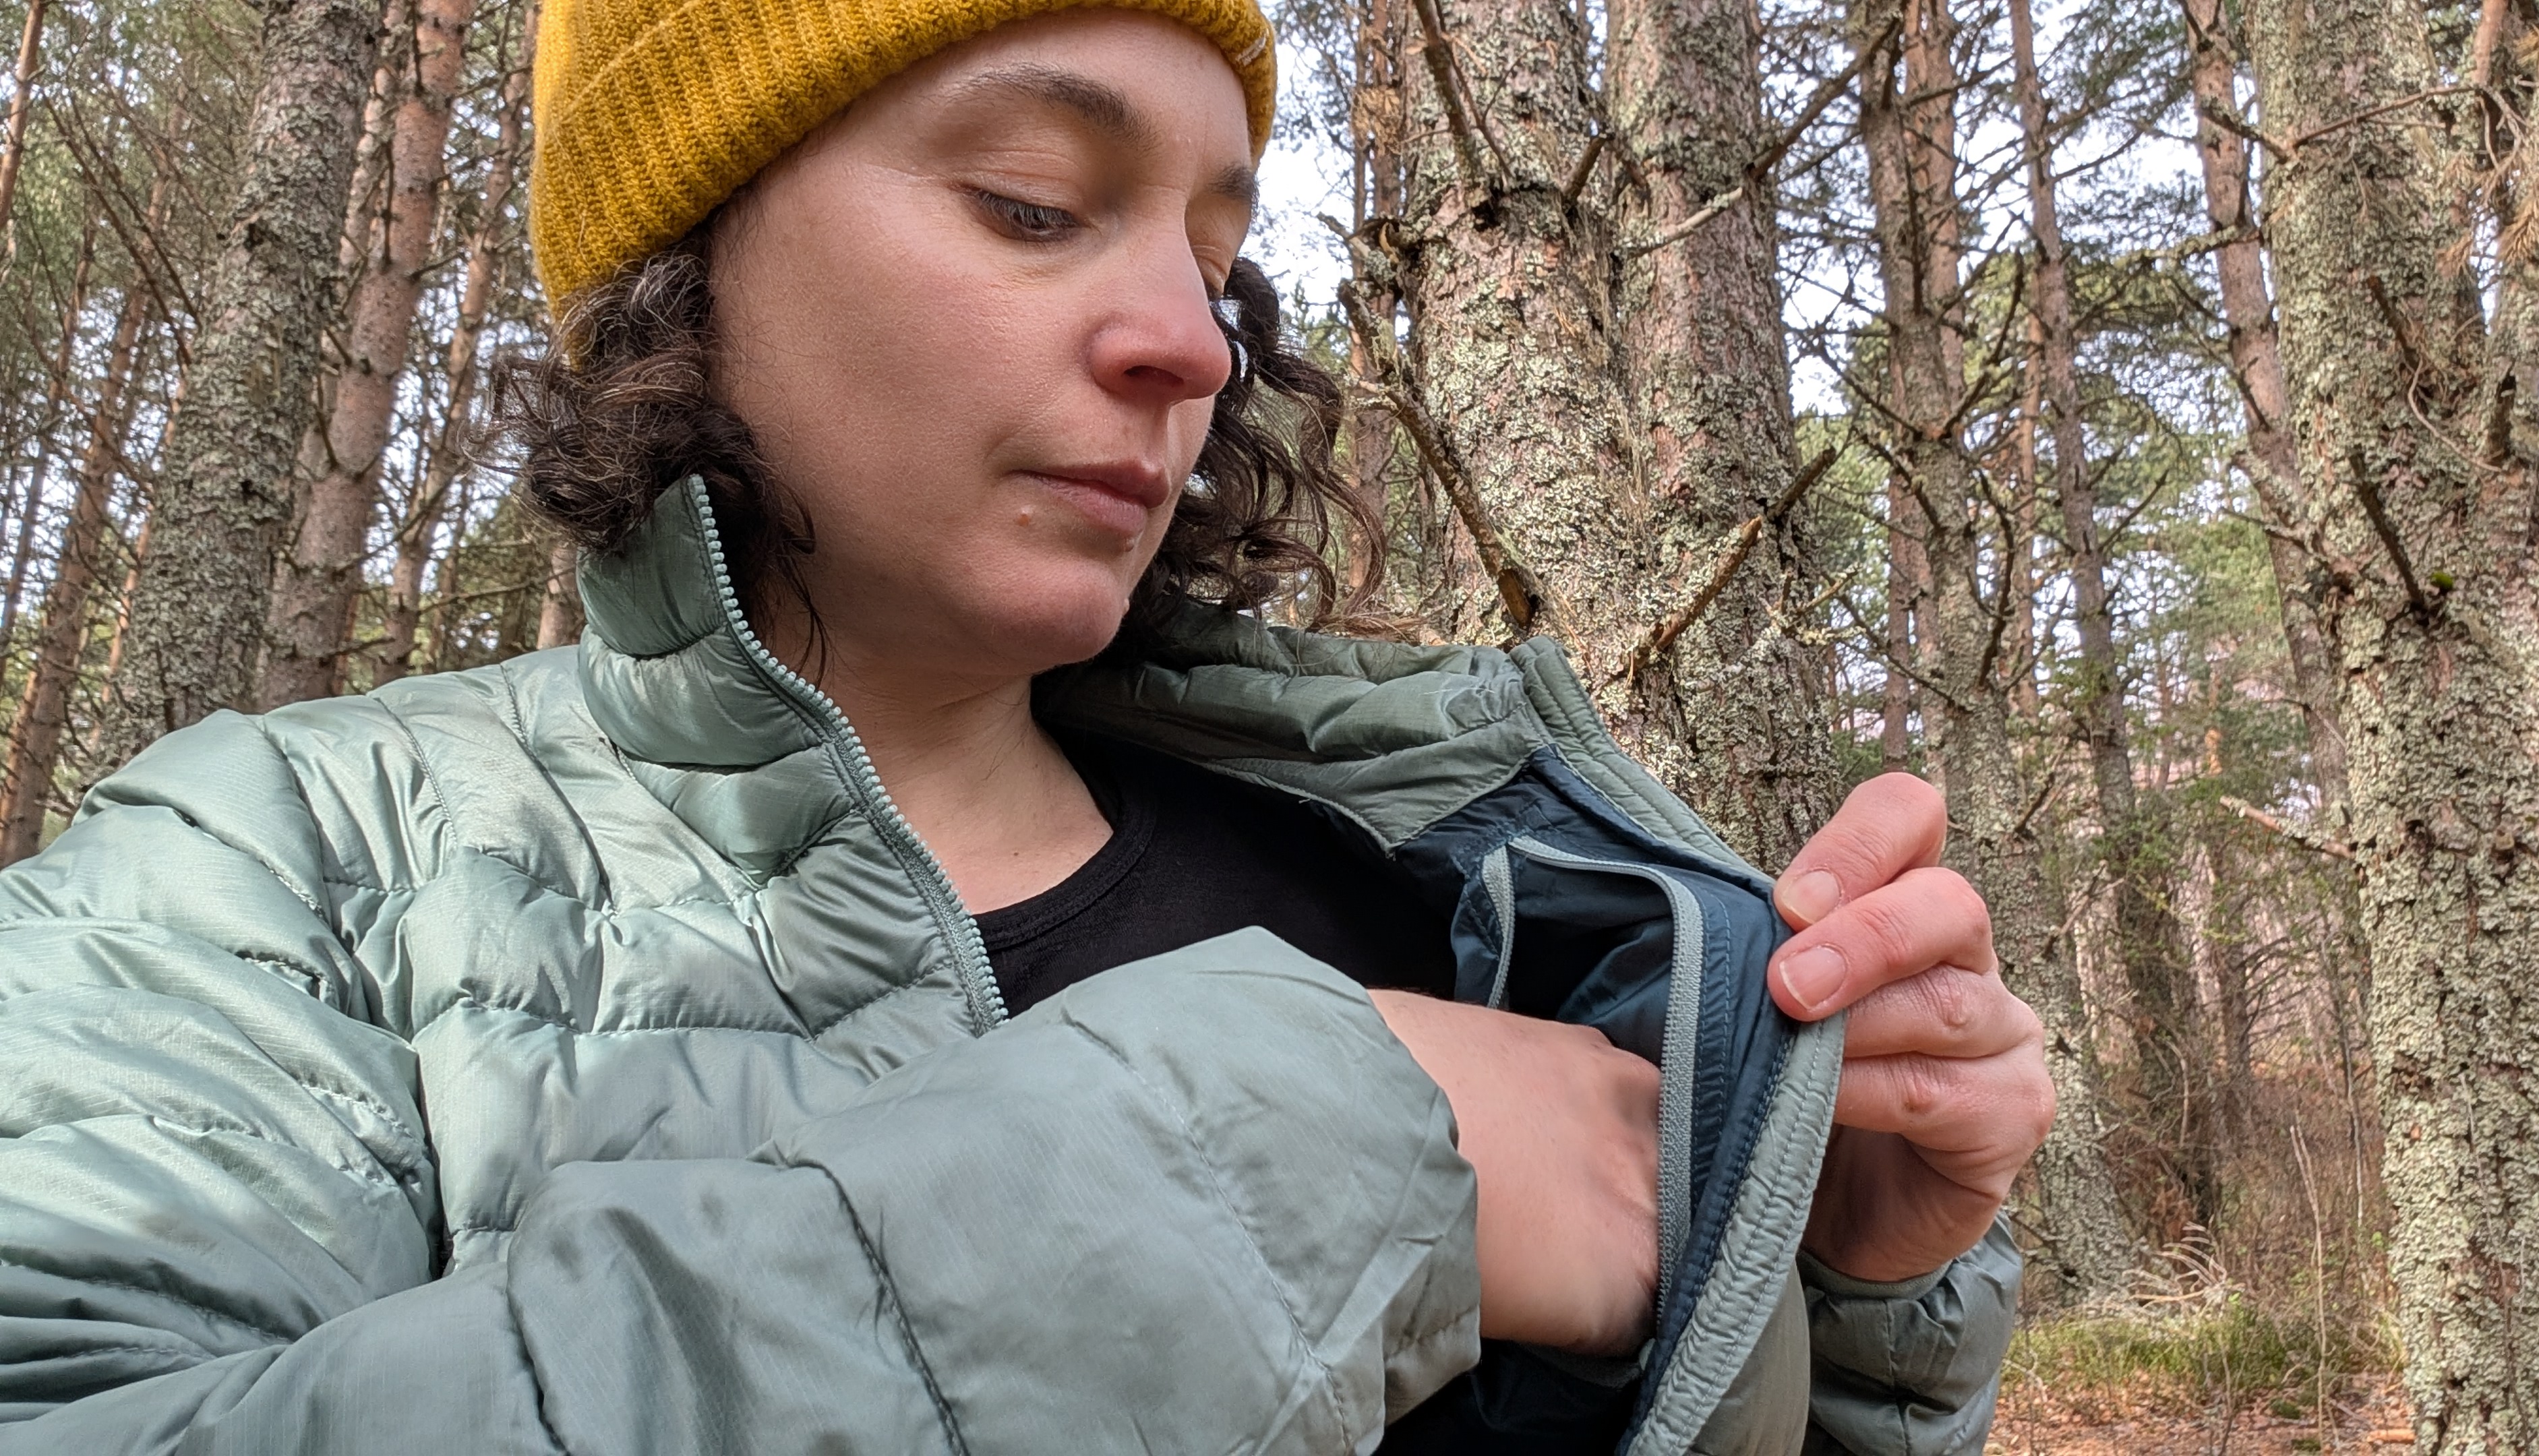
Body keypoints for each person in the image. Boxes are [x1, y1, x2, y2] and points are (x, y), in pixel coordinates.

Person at [0, 0, 2052, 1449]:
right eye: (1030, 201)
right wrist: (1268, 1175)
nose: (1183, 341)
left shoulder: (1435, 877)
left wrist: (1856, 1300)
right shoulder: (279, 869)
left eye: (1216, 252)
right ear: (683, 259)